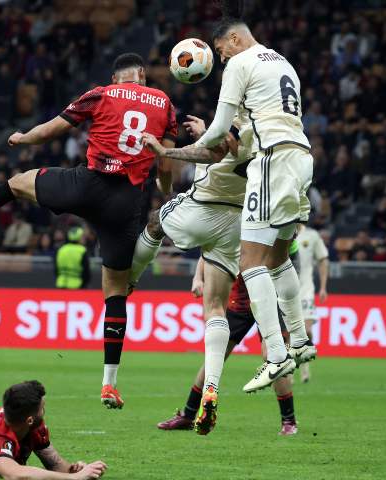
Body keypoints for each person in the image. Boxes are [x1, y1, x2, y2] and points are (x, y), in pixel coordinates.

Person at [0, 53, 177, 409]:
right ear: (142, 74)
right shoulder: (164, 103)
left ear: (117, 78)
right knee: (115, 292)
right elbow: (165, 164)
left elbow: (53, 128)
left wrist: (23, 138)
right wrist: (165, 190)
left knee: (16, 184)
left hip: (87, 185)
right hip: (126, 203)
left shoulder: (102, 93)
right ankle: (109, 384)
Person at [192, 1, 316, 392]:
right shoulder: (283, 62)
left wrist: (183, 150)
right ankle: (300, 341)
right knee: (278, 259)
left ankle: (276, 355)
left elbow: (218, 129)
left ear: (234, 38)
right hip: (301, 158)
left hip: (272, 160)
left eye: (220, 50)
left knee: (250, 262)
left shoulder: (240, 63)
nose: (221, 59)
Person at [135, 113, 249, 434]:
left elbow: (213, 153)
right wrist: (205, 132)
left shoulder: (241, 120)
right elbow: (227, 147)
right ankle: (209, 390)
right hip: (235, 221)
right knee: (215, 310)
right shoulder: (267, 134)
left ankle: (129, 278)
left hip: (205, 205)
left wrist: (164, 150)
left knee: (156, 220)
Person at [157, 259, 298, 436]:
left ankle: (289, 421)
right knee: (215, 355)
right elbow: (207, 250)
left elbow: (285, 258)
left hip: (270, 299)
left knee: (272, 356)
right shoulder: (234, 239)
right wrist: (198, 278)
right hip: (240, 301)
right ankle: (188, 415)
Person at [294, 225, 328, 383]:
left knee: (307, 331)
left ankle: (305, 365)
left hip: (306, 289)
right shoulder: (281, 231)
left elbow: (323, 259)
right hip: (286, 290)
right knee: (288, 334)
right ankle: (288, 370)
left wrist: (323, 287)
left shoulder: (312, 236)